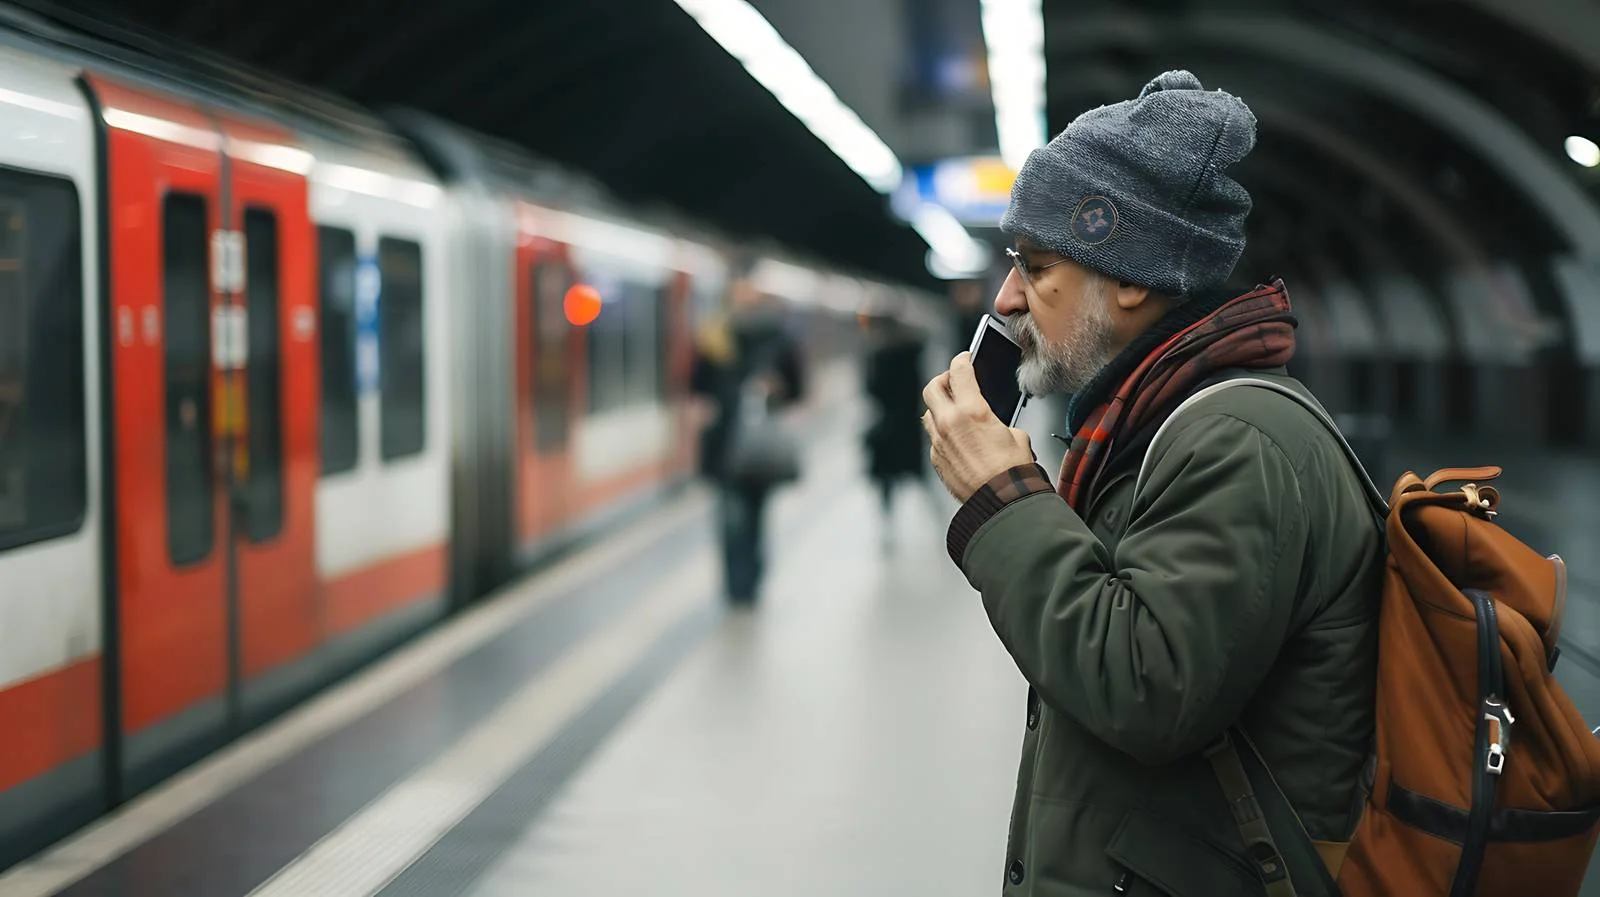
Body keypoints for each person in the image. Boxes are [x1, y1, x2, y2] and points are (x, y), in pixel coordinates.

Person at [920, 70, 1381, 894]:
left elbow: (1147, 687)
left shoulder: (1237, 441)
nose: (1007, 297)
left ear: (1129, 276)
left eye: (1035, 266)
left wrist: (1004, 499)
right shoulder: (1155, 420)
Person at [690, 278, 804, 605]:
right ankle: (738, 587)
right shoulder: (714, 337)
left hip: (758, 447)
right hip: (724, 443)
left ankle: (749, 579)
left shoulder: (777, 339)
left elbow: (798, 388)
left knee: (751, 516)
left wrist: (777, 389)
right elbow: (697, 386)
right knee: (732, 518)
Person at [860, 311, 928, 545]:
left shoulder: (877, 355)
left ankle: (888, 529)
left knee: (886, 483)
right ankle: (940, 521)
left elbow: (872, 390)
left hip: (887, 428)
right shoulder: (913, 351)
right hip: (910, 426)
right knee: (920, 476)